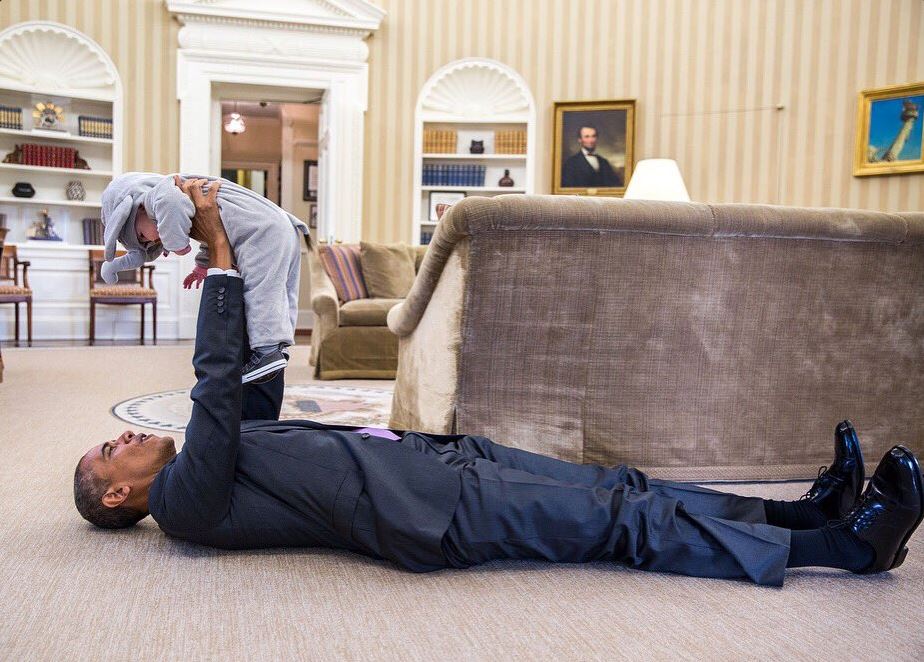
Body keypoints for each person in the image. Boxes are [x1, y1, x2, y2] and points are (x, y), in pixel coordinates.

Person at [73, 183, 924, 587]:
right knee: (619, 523)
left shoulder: (213, 462)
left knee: (623, 484)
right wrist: (221, 255)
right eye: (111, 452)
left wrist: (222, 252)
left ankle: (801, 513)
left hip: (438, 463)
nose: (125, 436)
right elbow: (217, 385)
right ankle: (846, 550)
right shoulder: (185, 506)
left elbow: (254, 365)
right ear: (118, 498)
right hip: (433, 511)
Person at [99, 173, 309, 384]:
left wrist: (176, 244)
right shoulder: (191, 200)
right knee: (281, 290)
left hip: (261, 231)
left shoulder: (161, 195)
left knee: (261, 290)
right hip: (279, 225)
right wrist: (201, 266)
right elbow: (218, 228)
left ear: (139, 208)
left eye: (142, 236)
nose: (153, 241)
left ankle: (268, 350)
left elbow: (172, 204)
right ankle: (280, 347)